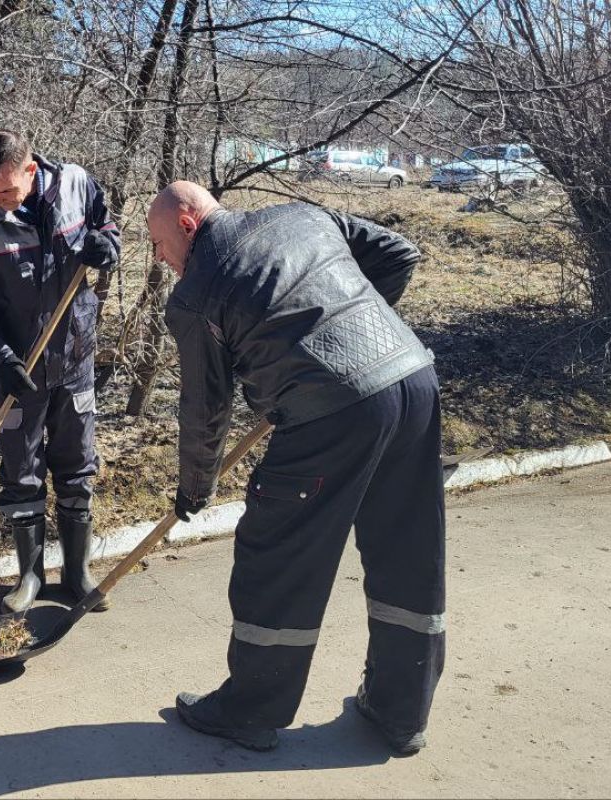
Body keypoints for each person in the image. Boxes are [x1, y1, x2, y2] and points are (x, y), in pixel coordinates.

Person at [148, 181, 445, 755]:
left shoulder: (196, 295)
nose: (160, 260)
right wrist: (363, 335)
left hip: (331, 415)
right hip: (413, 380)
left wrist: (194, 490)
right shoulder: (302, 215)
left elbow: (205, 407)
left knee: (277, 553)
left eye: (159, 244)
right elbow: (398, 252)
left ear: (187, 225)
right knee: (408, 548)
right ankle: (400, 712)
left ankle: (249, 710)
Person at [0, 131, 120, 614]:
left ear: (30, 170)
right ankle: (29, 577)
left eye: (5, 190)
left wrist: (105, 248)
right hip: (17, 367)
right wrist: (0, 358)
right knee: (21, 472)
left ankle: (77, 572)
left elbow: (108, 227)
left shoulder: (76, 184)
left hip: (75, 356)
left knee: (76, 464)